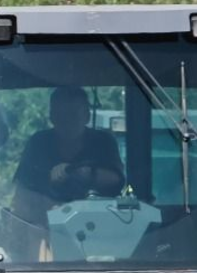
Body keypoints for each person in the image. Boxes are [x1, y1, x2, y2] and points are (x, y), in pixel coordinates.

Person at [12, 88, 124, 225]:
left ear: (87, 116)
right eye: (61, 115)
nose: (67, 121)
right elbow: (22, 190)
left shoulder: (103, 141)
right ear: (52, 117)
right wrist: (49, 179)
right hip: (44, 227)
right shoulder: (38, 143)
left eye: (73, 114)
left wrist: (87, 173)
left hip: (99, 227)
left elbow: (117, 180)